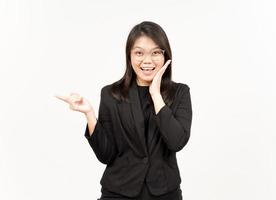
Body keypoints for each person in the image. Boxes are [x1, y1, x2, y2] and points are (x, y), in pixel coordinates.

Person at [55, 21, 192, 200]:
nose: (147, 60)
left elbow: (176, 142)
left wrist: (156, 96)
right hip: (118, 193)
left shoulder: (180, 92)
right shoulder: (111, 94)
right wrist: (89, 114)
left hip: (165, 193)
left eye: (156, 52)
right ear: (129, 56)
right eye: (139, 53)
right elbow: (106, 155)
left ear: (165, 56)